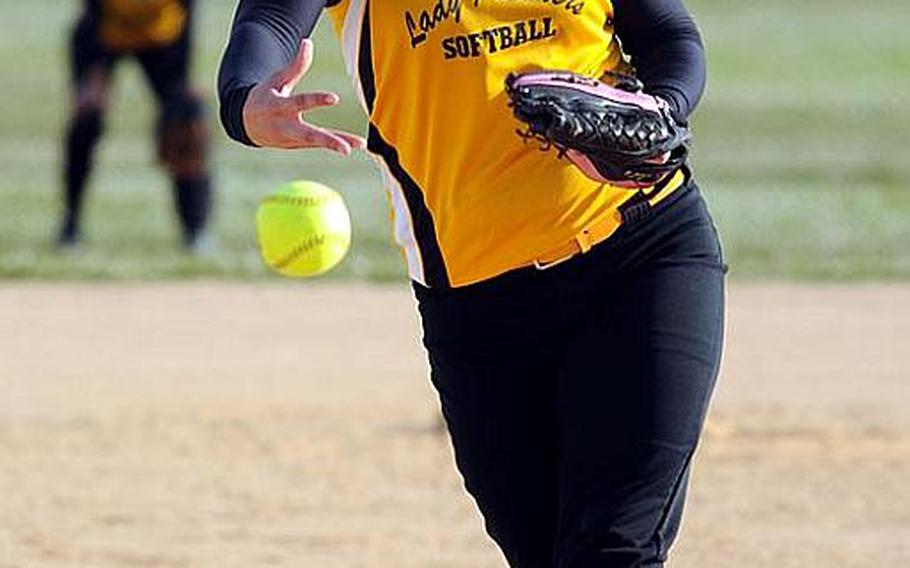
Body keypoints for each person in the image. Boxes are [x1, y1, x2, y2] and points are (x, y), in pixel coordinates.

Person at [218, 1, 725, 566]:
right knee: (541, 551)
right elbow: (270, 21)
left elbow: (668, 34)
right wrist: (246, 101)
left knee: (611, 548)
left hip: (641, 255)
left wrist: (662, 110)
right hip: (477, 311)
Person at [59, 0, 213, 250]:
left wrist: (182, 82)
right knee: (87, 116)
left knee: (185, 122)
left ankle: (195, 231)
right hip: (103, 32)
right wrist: (93, 71)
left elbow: (187, 8)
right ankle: (70, 225)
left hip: (164, 37)